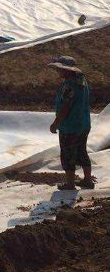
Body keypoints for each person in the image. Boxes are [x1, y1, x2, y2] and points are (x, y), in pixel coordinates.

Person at [49, 56, 94, 190]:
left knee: (68, 154)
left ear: (67, 70)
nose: (58, 71)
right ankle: (87, 180)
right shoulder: (82, 81)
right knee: (81, 151)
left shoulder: (69, 86)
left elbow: (65, 108)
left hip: (70, 126)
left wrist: (55, 123)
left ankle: (70, 184)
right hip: (83, 124)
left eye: (60, 69)